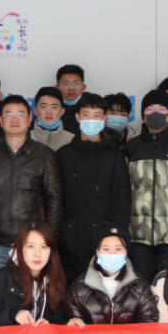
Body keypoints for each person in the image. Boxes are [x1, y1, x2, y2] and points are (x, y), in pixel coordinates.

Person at [0, 94, 63, 277]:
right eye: (9, 114)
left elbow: (54, 200)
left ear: (29, 119)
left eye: (20, 114)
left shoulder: (45, 155)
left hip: (32, 243)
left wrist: (50, 239)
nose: (15, 119)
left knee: (29, 292)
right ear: (0, 121)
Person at [55, 93, 131, 281]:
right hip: (69, 241)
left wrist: (116, 238)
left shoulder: (114, 156)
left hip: (103, 243)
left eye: (96, 116)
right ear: (78, 117)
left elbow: (122, 200)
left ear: (104, 119)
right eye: (86, 115)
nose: (91, 120)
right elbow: (55, 198)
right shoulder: (64, 155)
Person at [125, 89, 168, 280]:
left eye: (162, 109)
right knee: (140, 289)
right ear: (142, 115)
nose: (155, 113)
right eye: (150, 109)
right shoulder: (131, 147)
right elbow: (124, 191)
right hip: (138, 237)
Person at [0, 222, 72, 326]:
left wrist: (67, 323)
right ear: (19, 249)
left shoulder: (56, 278)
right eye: (30, 246)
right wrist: (12, 315)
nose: (37, 254)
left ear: (51, 251)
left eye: (44, 247)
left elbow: (59, 320)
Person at [66, 225, 158, 325]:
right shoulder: (78, 289)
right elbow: (72, 322)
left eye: (118, 249)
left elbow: (149, 320)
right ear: (97, 251)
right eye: (106, 249)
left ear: (126, 252)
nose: (112, 254)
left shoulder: (140, 286)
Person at [30, 85, 75, 150]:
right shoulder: (25, 139)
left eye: (54, 107)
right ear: (36, 111)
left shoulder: (72, 139)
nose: (49, 112)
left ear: (62, 112)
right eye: (43, 107)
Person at [56, 64, 87, 133]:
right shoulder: (50, 105)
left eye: (76, 83)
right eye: (66, 84)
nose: (71, 88)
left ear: (83, 87)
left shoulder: (92, 103)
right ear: (57, 87)